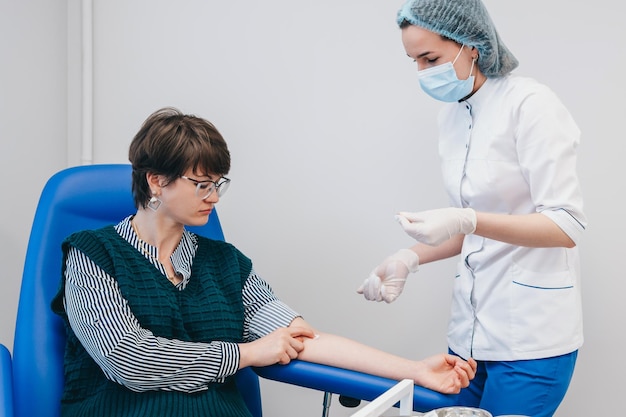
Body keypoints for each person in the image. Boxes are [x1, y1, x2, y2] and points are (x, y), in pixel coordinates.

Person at [51, 107, 476, 417]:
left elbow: (299, 338)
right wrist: (245, 353)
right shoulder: (93, 253)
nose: (214, 197)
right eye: (201, 184)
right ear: (156, 180)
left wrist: (414, 370)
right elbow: (129, 359)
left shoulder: (225, 264)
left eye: (219, 184)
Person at [357, 1, 586, 416]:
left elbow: (565, 224)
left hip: (530, 339)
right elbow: (473, 228)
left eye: (431, 58)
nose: (424, 73)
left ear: (471, 46)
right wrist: (408, 258)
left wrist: (468, 217)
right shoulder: (451, 117)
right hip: (467, 340)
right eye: (415, 61)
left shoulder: (531, 104)